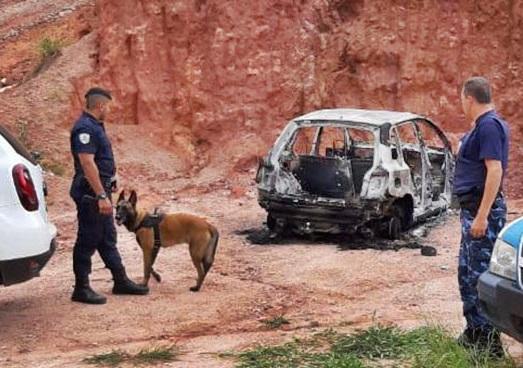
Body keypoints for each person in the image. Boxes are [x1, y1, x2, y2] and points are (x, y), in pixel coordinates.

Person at [69, 87, 148, 304]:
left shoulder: (95, 127)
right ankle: (81, 288)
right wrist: (101, 195)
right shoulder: (85, 128)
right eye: (108, 106)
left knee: (107, 238)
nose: (109, 111)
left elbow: (99, 162)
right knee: (88, 238)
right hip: (91, 194)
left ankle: (120, 280)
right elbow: (86, 162)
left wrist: (108, 182)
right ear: (100, 105)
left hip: (98, 190)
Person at [454, 77, 509, 355]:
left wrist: (483, 216)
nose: (461, 104)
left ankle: (490, 345)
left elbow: (495, 170)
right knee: (466, 274)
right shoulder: (481, 127)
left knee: (480, 276)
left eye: (462, 99)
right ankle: (474, 332)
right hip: (472, 211)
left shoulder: (489, 125)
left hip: (481, 212)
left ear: (469, 98)